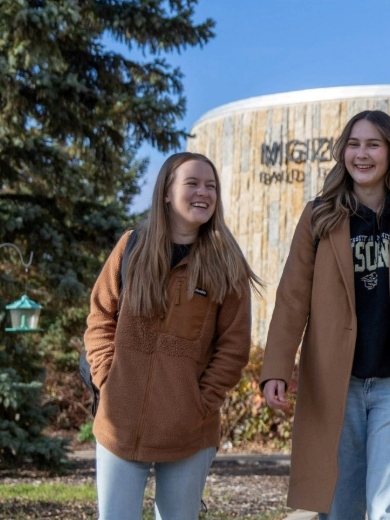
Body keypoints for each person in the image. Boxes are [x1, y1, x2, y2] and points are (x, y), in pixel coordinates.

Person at [260, 110, 390, 519]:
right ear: (343, 152)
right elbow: (292, 297)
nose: (362, 154)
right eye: (354, 144)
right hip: (336, 384)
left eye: (373, 144)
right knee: (342, 508)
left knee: (389, 506)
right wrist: (276, 369)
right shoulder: (319, 215)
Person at [85, 152, 259, 520]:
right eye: (192, 183)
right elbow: (100, 317)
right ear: (166, 192)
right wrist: (107, 378)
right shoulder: (132, 247)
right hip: (119, 422)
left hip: (188, 432)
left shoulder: (227, 265)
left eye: (211, 186)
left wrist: (201, 402)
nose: (204, 192)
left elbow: (233, 347)